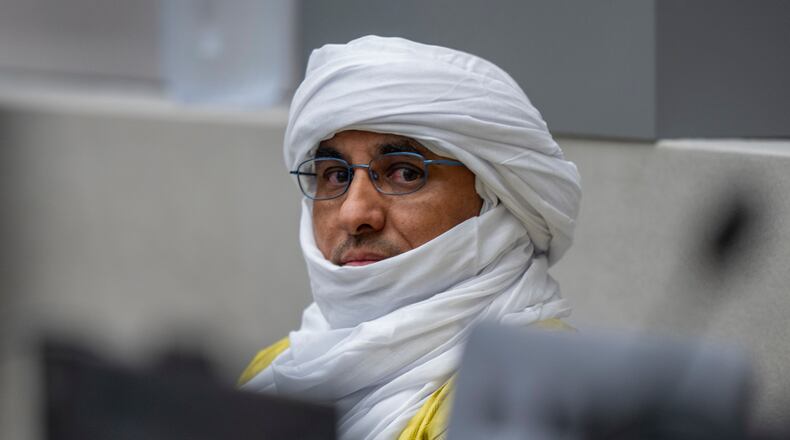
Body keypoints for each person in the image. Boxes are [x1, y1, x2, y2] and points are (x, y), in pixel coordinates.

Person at [239, 35, 582, 440]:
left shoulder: (536, 396)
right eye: (335, 175)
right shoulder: (278, 369)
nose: (354, 214)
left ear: (496, 198)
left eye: (404, 172)